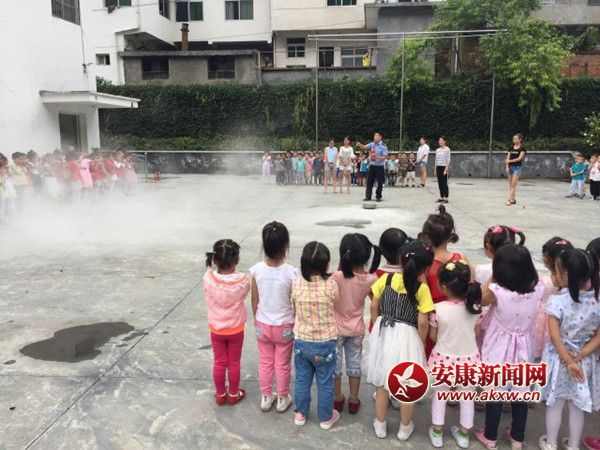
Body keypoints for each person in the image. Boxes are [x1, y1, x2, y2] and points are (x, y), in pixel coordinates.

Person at [474, 244, 545, 449]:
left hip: (499, 347)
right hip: (524, 347)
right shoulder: (537, 290)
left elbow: (480, 299)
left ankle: (490, 437)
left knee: (495, 391)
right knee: (520, 392)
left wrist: (492, 277)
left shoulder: (497, 292)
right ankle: (517, 437)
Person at [366, 240, 435, 441]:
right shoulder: (421, 289)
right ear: (425, 268)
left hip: (384, 331)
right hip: (408, 337)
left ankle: (380, 424)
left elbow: (374, 306)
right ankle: (404, 428)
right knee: (407, 382)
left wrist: (376, 325)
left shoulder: (386, 279)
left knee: (382, 381)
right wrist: (421, 341)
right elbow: (422, 322)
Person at [538, 248, 600, 450]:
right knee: (577, 406)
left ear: (565, 275)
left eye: (557, 271)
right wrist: (580, 355)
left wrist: (568, 360)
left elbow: (555, 336)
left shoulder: (557, 301)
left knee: (555, 403)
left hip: (560, 359)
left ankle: (550, 443)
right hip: (584, 360)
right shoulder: (596, 300)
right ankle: (573, 445)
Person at [428, 261, 482, 449]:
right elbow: (476, 333)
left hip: (443, 358)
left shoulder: (438, 309)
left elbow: (433, 336)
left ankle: (437, 433)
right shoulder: (475, 308)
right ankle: (464, 436)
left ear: (443, 287)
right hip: (469, 359)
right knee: (467, 398)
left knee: (440, 395)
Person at [250, 222, 298, 414]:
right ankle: (282, 398)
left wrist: (257, 319)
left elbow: (254, 299)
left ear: (264, 245)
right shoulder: (291, 272)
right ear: (286, 246)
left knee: (265, 362)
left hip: (262, 324)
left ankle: (266, 396)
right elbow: (294, 301)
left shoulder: (256, 270)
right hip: (284, 326)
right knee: (282, 364)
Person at [292, 241, 340, 430]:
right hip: (325, 342)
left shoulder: (296, 283)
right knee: (325, 381)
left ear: (303, 263)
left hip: (302, 341)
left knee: (302, 379)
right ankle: (326, 418)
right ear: (327, 264)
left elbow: (294, 308)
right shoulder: (331, 285)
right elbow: (336, 303)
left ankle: (300, 414)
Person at [332, 233, 380, 415]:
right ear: (367, 256)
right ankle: (353, 400)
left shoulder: (336, 277)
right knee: (354, 365)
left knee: (335, 366)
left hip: (335, 329)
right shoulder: (372, 279)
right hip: (356, 329)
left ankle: (337, 398)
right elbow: (375, 299)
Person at [203, 239, 250, 406]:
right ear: (236, 260)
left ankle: (220, 394)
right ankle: (233, 394)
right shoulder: (242, 281)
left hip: (217, 330)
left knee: (219, 362)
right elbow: (244, 293)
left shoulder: (209, 279)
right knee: (234, 363)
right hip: (236, 329)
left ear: (215, 260)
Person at [421, 205, 465, 358]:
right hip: (457, 318)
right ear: (450, 237)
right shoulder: (461, 259)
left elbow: (422, 294)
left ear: (427, 236)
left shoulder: (424, 264)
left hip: (432, 317)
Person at [474, 226, 527, 351]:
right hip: (516, 324)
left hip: (492, 326)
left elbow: (481, 299)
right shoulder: (524, 272)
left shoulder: (483, 271)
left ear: (488, 246)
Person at [357, 132, 388, 202]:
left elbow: (385, 156)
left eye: (376, 136)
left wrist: (377, 158)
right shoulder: (372, 144)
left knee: (380, 183)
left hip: (380, 166)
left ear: (380, 137)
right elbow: (365, 147)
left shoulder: (383, 146)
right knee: (369, 182)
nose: (374, 137)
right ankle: (368, 196)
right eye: (374, 136)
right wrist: (359, 145)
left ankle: (378, 196)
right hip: (372, 166)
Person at [505, 133, 526, 206]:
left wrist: (509, 161)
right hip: (510, 167)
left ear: (520, 139)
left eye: (516, 138)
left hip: (517, 168)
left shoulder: (522, 148)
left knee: (513, 186)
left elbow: (519, 158)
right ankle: (513, 199)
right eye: (513, 138)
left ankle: (508, 200)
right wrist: (507, 167)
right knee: (511, 185)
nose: (514, 140)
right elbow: (507, 158)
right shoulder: (511, 147)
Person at [435, 136, 451, 203]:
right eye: (439, 141)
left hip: (444, 167)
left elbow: (448, 160)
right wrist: (435, 169)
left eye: (441, 140)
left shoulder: (447, 149)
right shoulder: (437, 150)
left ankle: (446, 197)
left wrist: (446, 170)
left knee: (444, 183)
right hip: (438, 167)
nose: (439, 142)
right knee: (440, 183)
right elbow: (436, 160)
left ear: (444, 141)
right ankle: (442, 196)